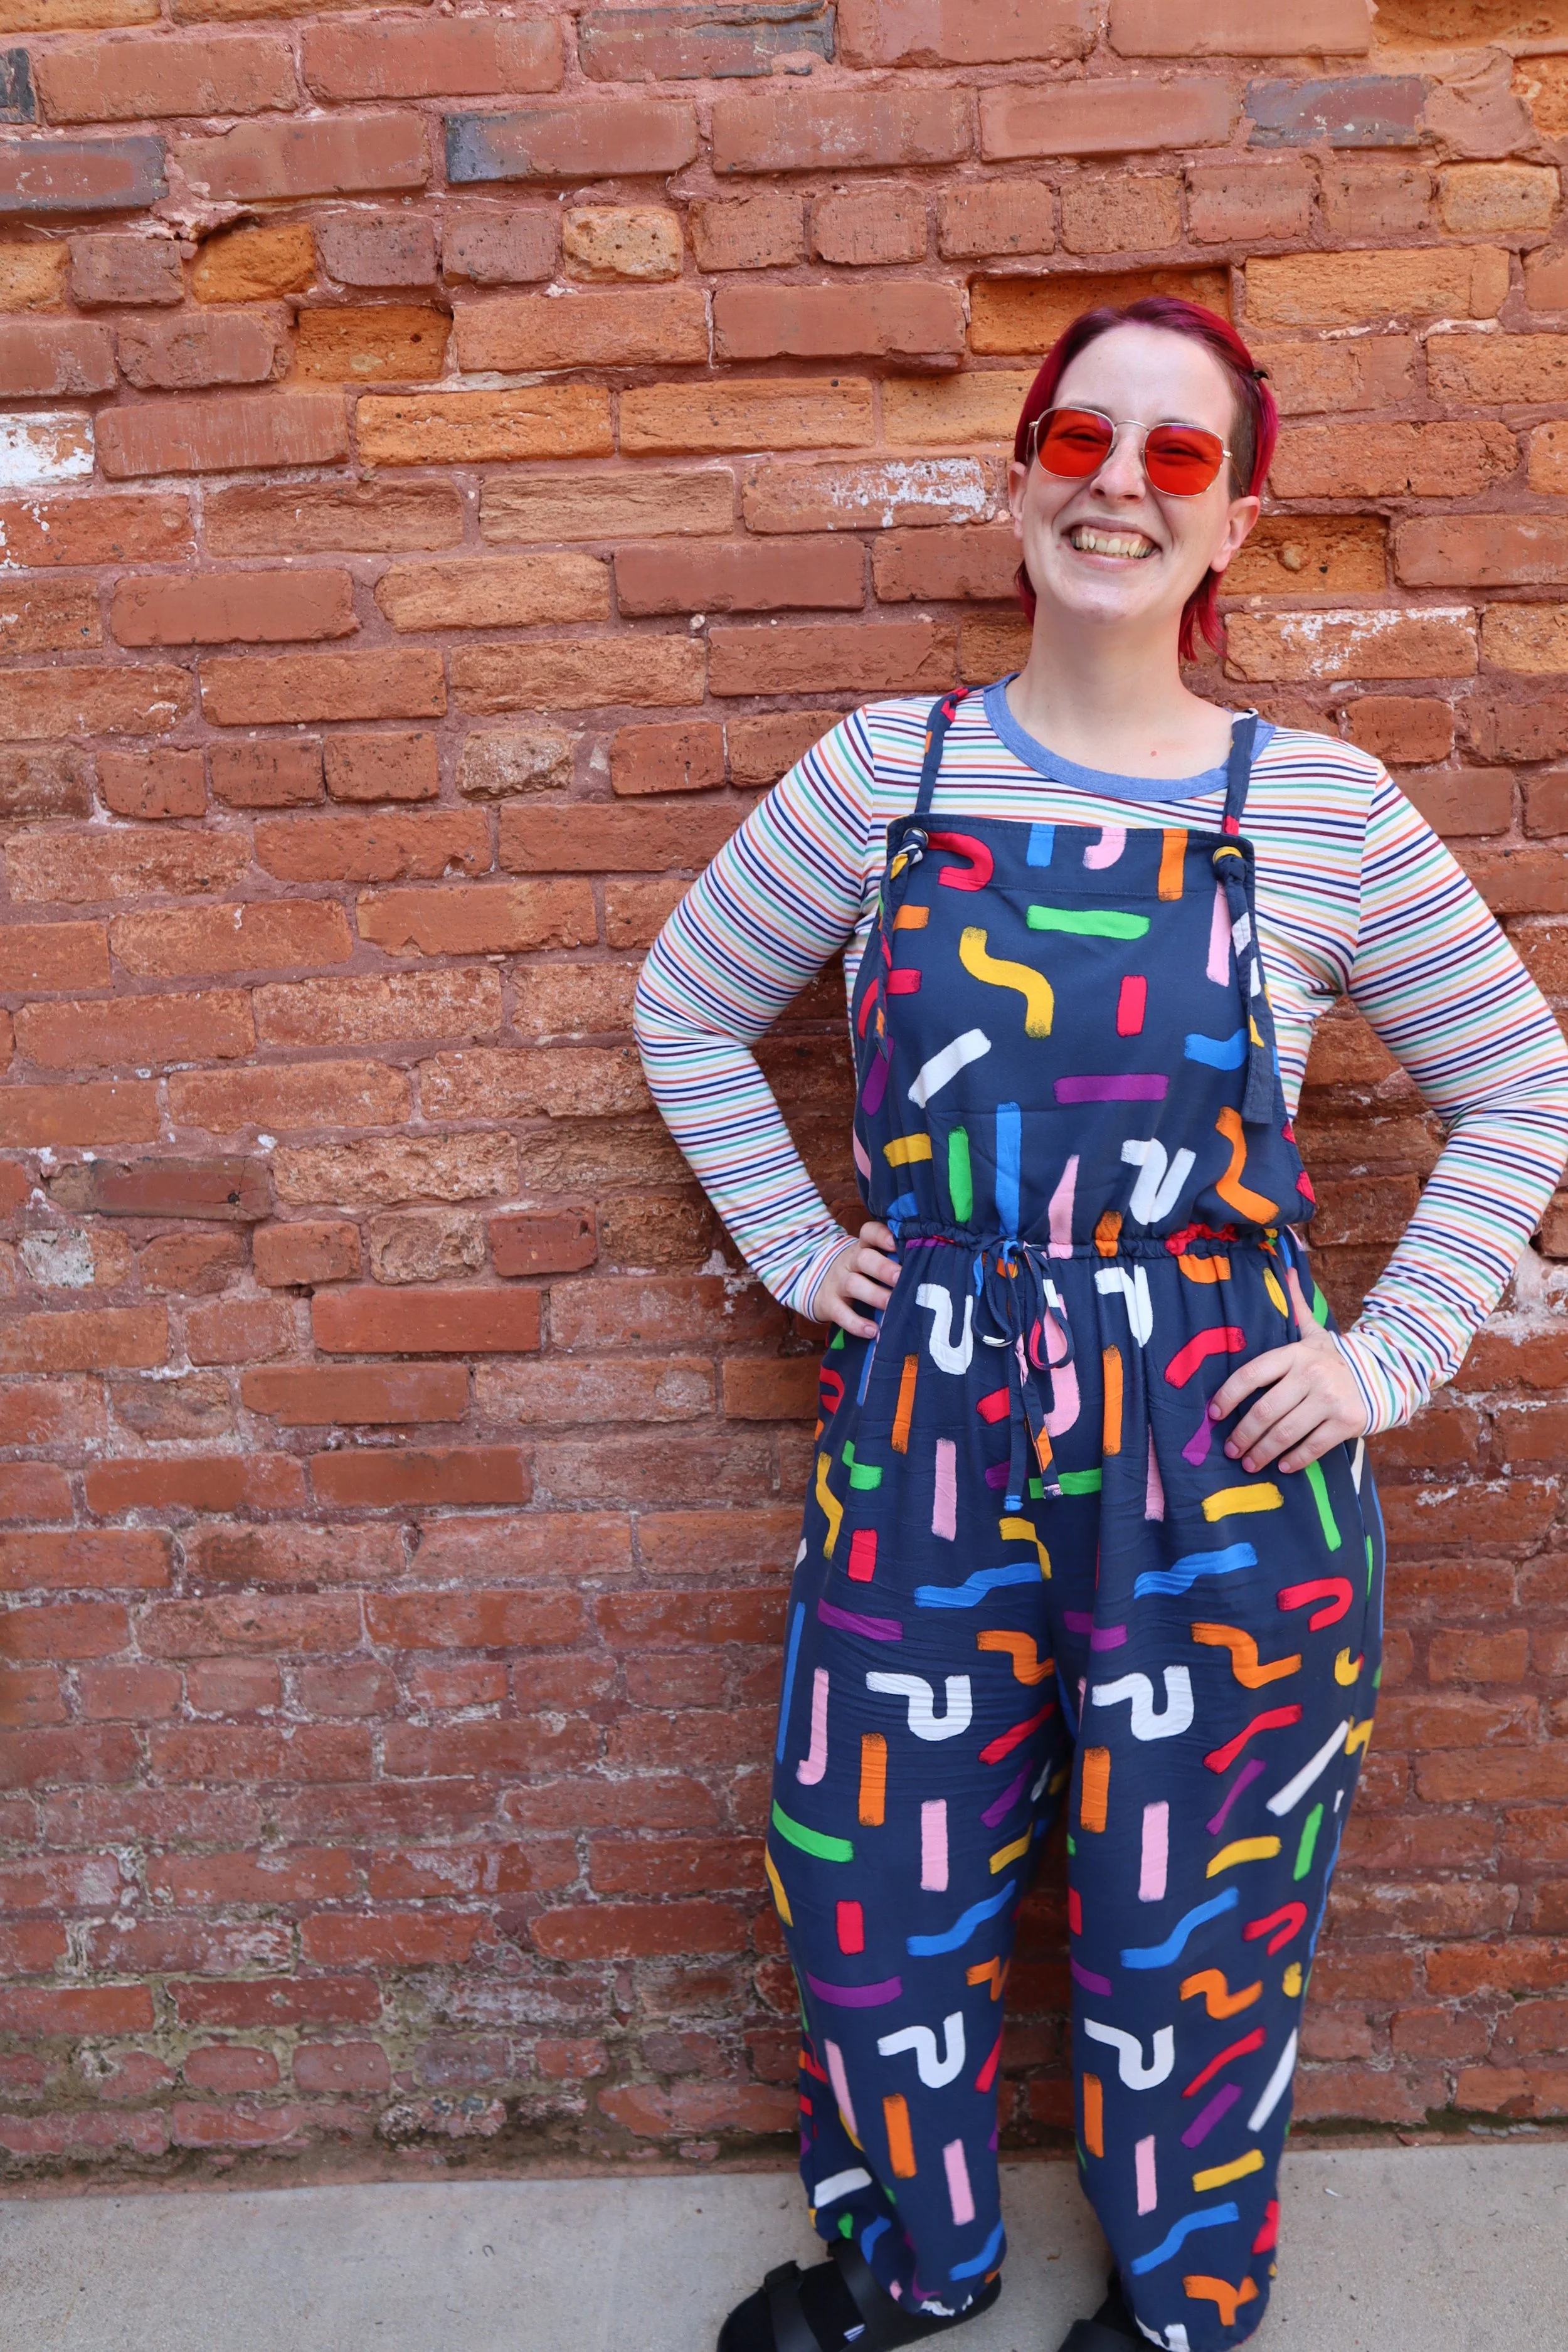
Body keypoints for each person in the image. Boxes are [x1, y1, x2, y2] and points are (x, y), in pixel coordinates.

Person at [633, 297, 1568, 2352]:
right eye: (1080, 440)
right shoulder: (889, 777)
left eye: (1173, 457)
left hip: (1219, 1457)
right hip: (927, 1425)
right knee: (870, 1879)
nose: (1116, 487)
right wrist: (806, 1250)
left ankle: (1180, 2304)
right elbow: (688, 1006)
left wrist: (1384, 1356)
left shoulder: (1314, 810)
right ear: (1016, 479)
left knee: (1193, 1908)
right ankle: (914, 2256)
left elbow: (1521, 1080)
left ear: (1235, 519)